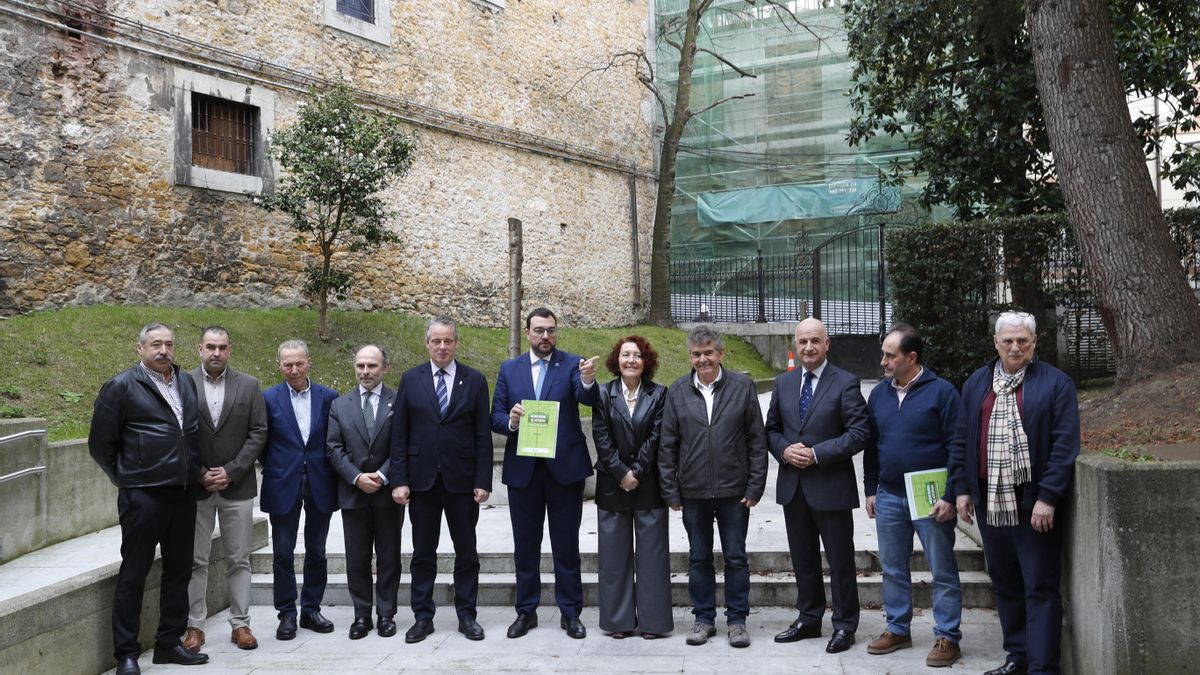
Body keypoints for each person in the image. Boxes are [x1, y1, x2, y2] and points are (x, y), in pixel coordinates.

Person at [949, 311, 1079, 675]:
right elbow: (962, 439)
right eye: (1008, 341)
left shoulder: (1056, 384)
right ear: (996, 343)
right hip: (989, 504)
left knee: (1039, 588)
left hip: (1033, 506)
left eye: (1023, 340)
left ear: (1034, 343)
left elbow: (1064, 445)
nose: (1015, 346)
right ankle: (1017, 658)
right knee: (1005, 585)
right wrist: (961, 489)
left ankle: (1042, 668)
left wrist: (1048, 497)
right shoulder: (977, 383)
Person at [88, 322, 209, 674]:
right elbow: (100, 445)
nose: (164, 350)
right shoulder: (121, 386)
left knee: (179, 571)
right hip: (143, 497)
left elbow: (190, 434)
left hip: (183, 494)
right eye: (156, 344)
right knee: (134, 573)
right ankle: (126, 653)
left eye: (169, 344)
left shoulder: (184, 381)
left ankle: (168, 643)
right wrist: (128, 479)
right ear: (139, 348)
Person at [491, 307, 599, 639]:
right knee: (526, 546)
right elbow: (494, 416)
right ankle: (526, 612)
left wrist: (588, 379)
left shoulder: (571, 364)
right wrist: (511, 420)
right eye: (539, 330)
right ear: (527, 332)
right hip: (524, 471)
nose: (545, 336)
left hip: (564, 470)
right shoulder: (510, 369)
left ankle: (571, 613)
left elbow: (587, 398)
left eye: (551, 330)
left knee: (566, 545)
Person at [658, 325, 768, 649]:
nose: (703, 359)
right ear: (690, 356)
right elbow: (667, 447)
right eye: (697, 353)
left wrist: (755, 485)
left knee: (735, 557)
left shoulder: (743, 386)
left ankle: (737, 621)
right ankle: (703, 619)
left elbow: (757, 441)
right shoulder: (676, 391)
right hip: (693, 493)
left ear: (720, 353)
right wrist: (671, 491)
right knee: (698, 558)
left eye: (708, 352)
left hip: (735, 492)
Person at [765, 317, 870, 654]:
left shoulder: (846, 383)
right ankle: (809, 619)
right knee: (803, 559)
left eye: (815, 341)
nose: (808, 347)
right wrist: (783, 450)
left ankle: (844, 626)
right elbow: (771, 430)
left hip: (831, 486)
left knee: (840, 562)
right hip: (793, 488)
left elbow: (859, 433)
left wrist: (816, 454)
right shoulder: (783, 383)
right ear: (795, 345)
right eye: (802, 342)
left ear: (827, 344)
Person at [863, 324, 963, 667]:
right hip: (889, 495)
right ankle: (897, 629)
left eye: (891, 356)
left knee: (942, 568)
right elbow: (872, 447)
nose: (884, 362)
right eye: (884, 354)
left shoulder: (943, 393)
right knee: (892, 568)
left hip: (930, 497)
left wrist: (950, 495)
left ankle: (948, 636)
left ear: (912, 357)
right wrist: (870, 489)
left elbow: (957, 447)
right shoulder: (878, 395)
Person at [390, 317, 493, 642]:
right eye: (436, 341)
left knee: (466, 552)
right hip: (421, 483)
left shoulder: (474, 380)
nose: (442, 347)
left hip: (462, 483)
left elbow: (482, 436)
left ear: (456, 343)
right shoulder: (411, 379)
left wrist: (483, 480)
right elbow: (399, 435)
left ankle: (467, 615)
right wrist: (399, 480)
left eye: (448, 341)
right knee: (423, 553)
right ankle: (423, 616)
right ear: (427, 343)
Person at [183, 326, 268, 654]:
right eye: (210, 347)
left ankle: (241, 623)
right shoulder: (182, 383)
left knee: (239, 558)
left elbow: (259, 432)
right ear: (199, 349)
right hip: (196, 487)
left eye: (221, 347)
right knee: (195, 560)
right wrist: (201, 472)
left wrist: (231, 471)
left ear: (230, 349)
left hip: (238, 486)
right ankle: (194, 626)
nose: (216, 353)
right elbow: (177, 432)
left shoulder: (248, 385)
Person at [590, 335, 672, 640]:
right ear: (617, 360)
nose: (631, 360)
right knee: (613, 558)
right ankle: (618, 621)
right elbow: (601, 437)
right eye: (625, 355)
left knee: (652, 557)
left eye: (637, 355)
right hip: (613, 486)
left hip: (648, 484)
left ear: (646, 361)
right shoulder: (603, 394)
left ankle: (653, 622)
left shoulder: (660, 394)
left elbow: (658, 435)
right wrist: (621, 472)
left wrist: (637, 471)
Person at [260, 339, 340, 641]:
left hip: (320, 481)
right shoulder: (267, 398)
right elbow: (261, 442)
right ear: (279, 365)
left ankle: (310, 609)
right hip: (282, 482)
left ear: (309, 362)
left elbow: (334, 439)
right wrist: (280, 466)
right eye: (287, 364)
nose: (293, 370)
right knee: (282, 552)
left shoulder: (329, 397)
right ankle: (287, 614)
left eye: (299, 363)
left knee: (316, 551)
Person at [326, 345, 402, 640]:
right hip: (353, 493)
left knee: (388, 557)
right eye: (360, 366)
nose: (365, 372)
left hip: (387, 494)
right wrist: (357, 477)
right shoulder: (339, 405)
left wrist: (383, 476)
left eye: (372, 366)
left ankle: (386, 614)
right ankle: (361, 615)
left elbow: (402, 444)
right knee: (356, 558)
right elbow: (333, 448)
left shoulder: (398, 401)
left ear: (385, 367)